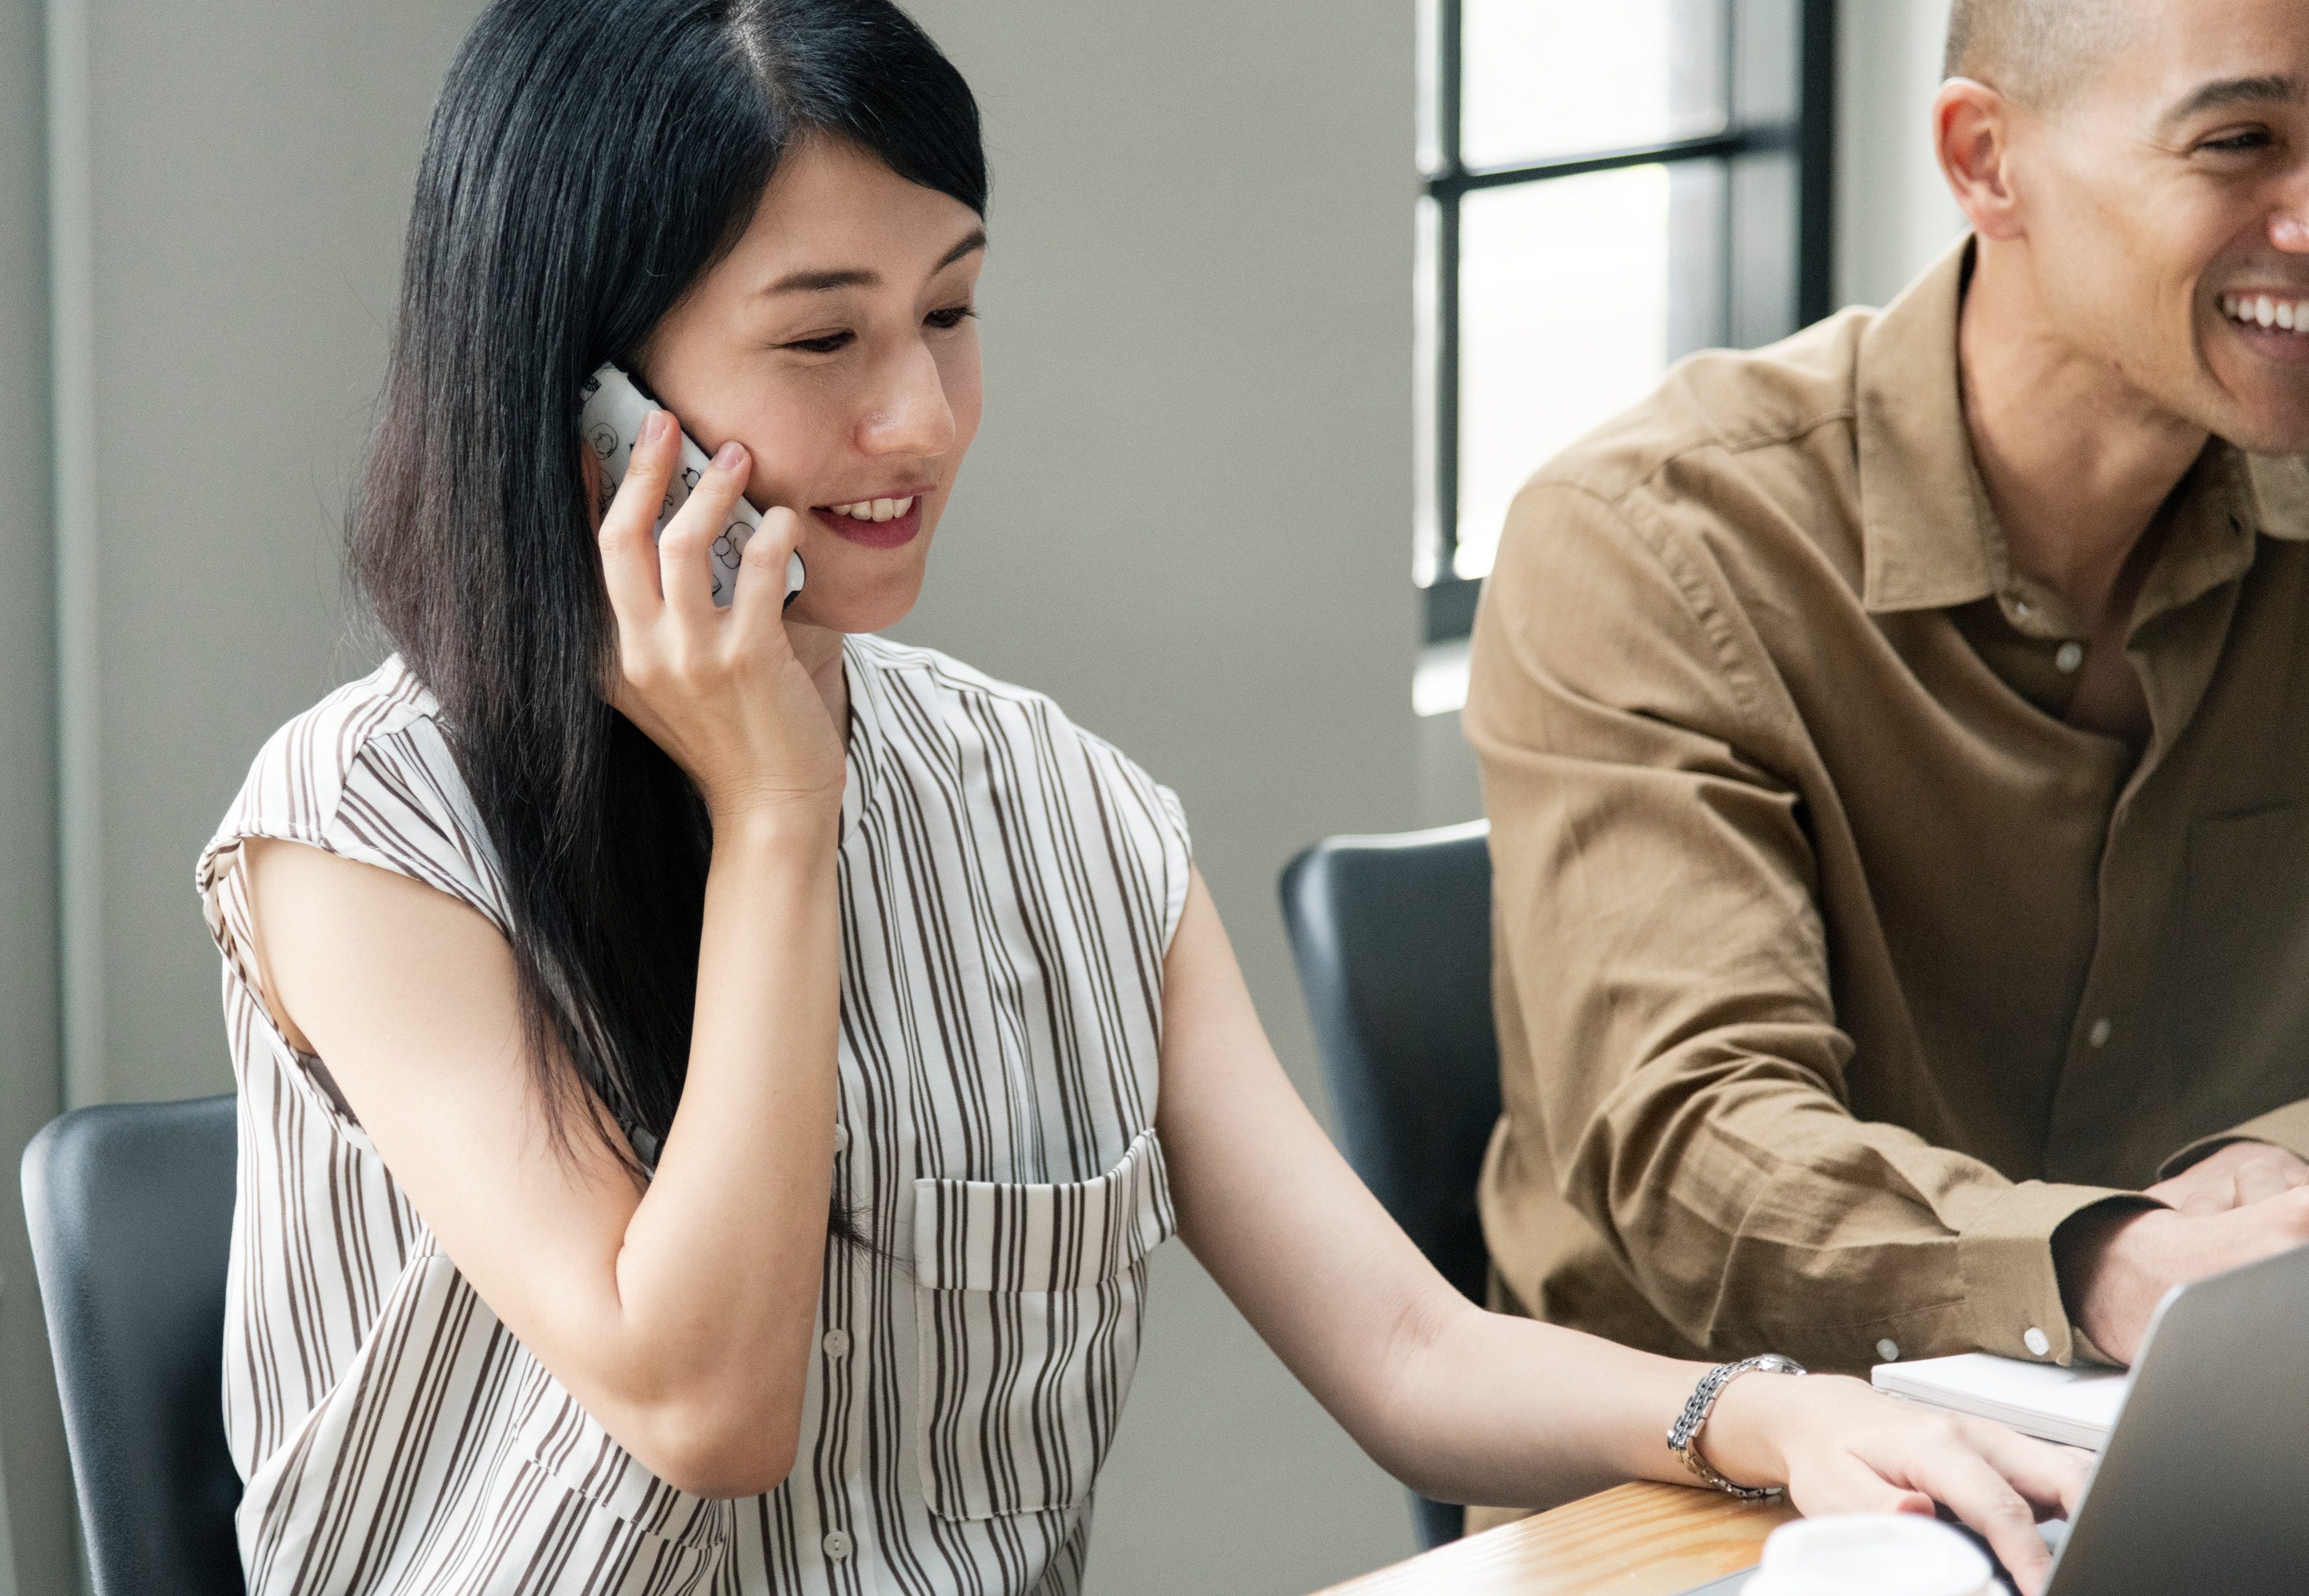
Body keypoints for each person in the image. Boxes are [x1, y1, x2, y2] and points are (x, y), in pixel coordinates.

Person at [196, 2, 2086, 1592]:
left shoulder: (1067, 821)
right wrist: (778, 820)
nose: (920, 416)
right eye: (822, 338)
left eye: (951, 312)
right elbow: (708, 1405)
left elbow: (1405, 1347)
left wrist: (1752, 1409)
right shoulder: (366, 833)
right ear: (590, 405)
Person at [1464, 0, 2309, 1481]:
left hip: (2222, 1459)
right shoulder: (1654, 546)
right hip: (1731, 1505)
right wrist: (2107, 1264)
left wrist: (2279, 1168)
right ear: (1986, 162)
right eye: (2240, 144)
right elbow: (1699, 1145)